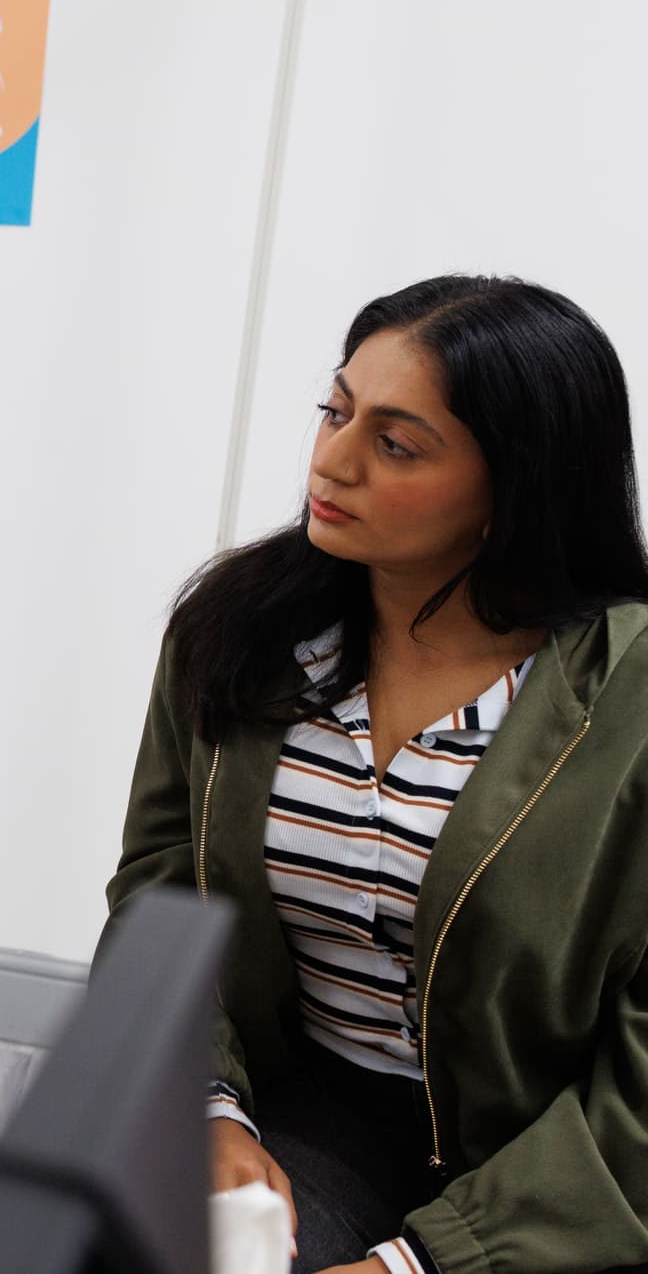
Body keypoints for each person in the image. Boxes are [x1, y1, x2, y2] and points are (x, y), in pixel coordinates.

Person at [105, 275, 648, 1274]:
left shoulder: (628, 698)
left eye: (394, 443)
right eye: (335, 410)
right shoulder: (238, 632)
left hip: (564, 1168)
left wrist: (420, 1264)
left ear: (516, 484)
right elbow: (159, 891)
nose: (332, 459)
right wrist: (210, 1111)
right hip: (305, 1114)